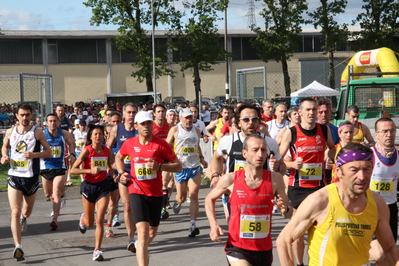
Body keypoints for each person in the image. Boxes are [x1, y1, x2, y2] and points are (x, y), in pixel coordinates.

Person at [277, 143, 399, 266]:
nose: (362, 176)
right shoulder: (320, 200)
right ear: (339, 172)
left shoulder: (378, 203)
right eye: (354, 170)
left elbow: (389, 249)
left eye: (367, 169)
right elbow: (284, 240)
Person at [205, 134, 292, 266]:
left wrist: (285, 209)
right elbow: (209, 199)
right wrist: (213, 224)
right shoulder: (231, 179)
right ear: (244, 153)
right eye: (255, 150)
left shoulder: (275, 179)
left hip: (264, 249)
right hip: (237, 248)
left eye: (263, 150)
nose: (260, 154)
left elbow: (288, 214)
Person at [115, 111, 182, 266]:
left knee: (151, 233)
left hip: (156, 194)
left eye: (149, 123)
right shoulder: (130, 143)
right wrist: (121, 173)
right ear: (136, 126)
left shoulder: (161, 144)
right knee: (143, 232)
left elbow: (178, 166)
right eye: (143, 124)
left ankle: (140, 246)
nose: (146, 126)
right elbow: (119, 157)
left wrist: (159, 166)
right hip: (136, 191)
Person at [279, 97, 335, 266]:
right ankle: (299, 263)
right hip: (299, 187)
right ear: (300, 112)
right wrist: (292, 164)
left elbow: (332, 147)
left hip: (319, 186)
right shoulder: (291, 132)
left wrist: (328, 156)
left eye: (314, 110)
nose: (312, 113)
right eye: (308, 110)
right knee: (298, 229)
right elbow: (279, 160)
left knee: (321, 227)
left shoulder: (324, 129)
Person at [1, 103, 52, 261]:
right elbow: (4, 146)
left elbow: (49, 152)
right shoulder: (10, 132)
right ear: (16, 115)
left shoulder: (37, 133)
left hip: (31, 178)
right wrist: (4, 156)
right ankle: (18, 246)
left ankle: (24, 219)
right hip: (14, 176)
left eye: (27, 115)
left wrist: (34, 155)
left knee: (25, 212)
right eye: (22, 115)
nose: (25, 117)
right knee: (15, 211)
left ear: (31, 116)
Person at [70, 124, 113, 261]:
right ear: (90, 136)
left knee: (100, 219)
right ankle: (83, 219)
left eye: (100, 134)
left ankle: (97, 250)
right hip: (89, 186)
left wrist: (114, 173)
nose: (98, 136)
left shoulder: (107, 150)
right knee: (90, 223)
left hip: (103, 187)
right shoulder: (87, 150)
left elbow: (110, 166)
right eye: (95, 134)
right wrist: (89, 171)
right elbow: (73, 170)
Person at [166, 108, 208, 237]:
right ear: (180, 118)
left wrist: (202, 159)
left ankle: (193, 225)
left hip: (194, 166)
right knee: (181, 197)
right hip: (180, 167)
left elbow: (197, 145)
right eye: (186, 118)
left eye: (191, 117)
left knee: (194, 195)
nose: (189, 120)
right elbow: (167, 146)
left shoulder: (197, 130)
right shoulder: (175, 130)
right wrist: (170, 160)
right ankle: (178, 201)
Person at [106, 102, 138, 252]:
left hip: (139, 174)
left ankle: (139, 226)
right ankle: (131, 239)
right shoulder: (116, 129)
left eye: (134, 112)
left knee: (139, 206)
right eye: (129, 112)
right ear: (123, 114)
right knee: (127, 205)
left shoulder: (140, 130)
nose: (131, 115)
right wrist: (113, 168)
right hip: (123, 173)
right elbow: (107, 150)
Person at [368, 118, 399, 264]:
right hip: (370, 208)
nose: (389, 134)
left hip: (391, 209)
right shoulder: (369, 155)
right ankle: (353, 251)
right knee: (379, 253)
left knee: (388, 254)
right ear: (376, 134)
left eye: (392, 131)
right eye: (384, 131)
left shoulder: (398, 156)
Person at [40, 113, 76, 230]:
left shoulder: (64, 133)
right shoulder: (41, 134)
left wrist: (71, 153)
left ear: (58, 122)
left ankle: (55, 219)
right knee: (47, 193)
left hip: (60, 166)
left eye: (55, 121)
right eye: (50, 121)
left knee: (55, 192)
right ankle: (62, 195)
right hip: (45, 167)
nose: (52, 123)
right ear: (46, 123)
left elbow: (71, 144)